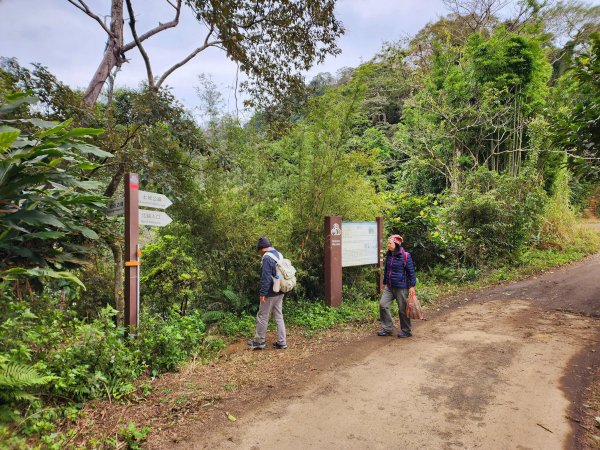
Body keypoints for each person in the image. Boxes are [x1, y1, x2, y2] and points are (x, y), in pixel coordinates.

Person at [247, 236, 288, 350]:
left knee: (263, 316)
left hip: (270, 293)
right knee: (279, 316)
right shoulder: (278, 254)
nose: (259, 253)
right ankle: (282, 342)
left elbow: (266, 278)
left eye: (259, 251)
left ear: (261, 249)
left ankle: (259, 341)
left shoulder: (266, 258)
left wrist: (262, 294)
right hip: (280, 290)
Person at [377, 234, 417, 338]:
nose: (388, 245)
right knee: (383, 305)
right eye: (388, 243)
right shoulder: (389, 255)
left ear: (396, 244)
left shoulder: (405, 256)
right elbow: (386, 270)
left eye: (390, 243)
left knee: (402, 309)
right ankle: (387, 328)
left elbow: (411, 272)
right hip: (389, 287)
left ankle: (406, 330)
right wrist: (385, 282)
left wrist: (412, 286)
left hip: (402, 288)